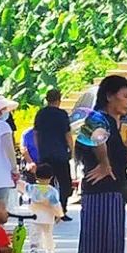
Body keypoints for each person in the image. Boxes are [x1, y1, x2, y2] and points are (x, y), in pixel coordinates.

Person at [68, 75, 127, 253]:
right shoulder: (98, 119)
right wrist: (105, 164)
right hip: (99, 193)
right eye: (124, 96)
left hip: (114, 193)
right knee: (97, 250)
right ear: (109, 96)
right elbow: (97, 138)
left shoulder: (116, 124)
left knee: (112, 252)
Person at [33, 90, 74, 221]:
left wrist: (39, 150)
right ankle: (61, 211)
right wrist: (72, 150)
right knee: (65, 183)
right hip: (60, 153)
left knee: (46, 183)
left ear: (47, 99)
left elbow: (36, 134)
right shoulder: (62, 114)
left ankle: (47, 209)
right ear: (59, 100)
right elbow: (68, 134)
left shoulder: (41, 114)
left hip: (45, 154)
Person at [20, 163, 63, 253]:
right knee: (48, 235)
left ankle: (34, 249)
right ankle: (50, 252)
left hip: (34, 216)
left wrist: (16, 180)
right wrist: (59, 215)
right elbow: (56, 204)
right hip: (48, 217)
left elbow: (23, 186)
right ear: (51, 177)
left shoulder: (33, 188)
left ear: (36, 176)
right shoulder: (52, 191)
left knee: (34, 234)